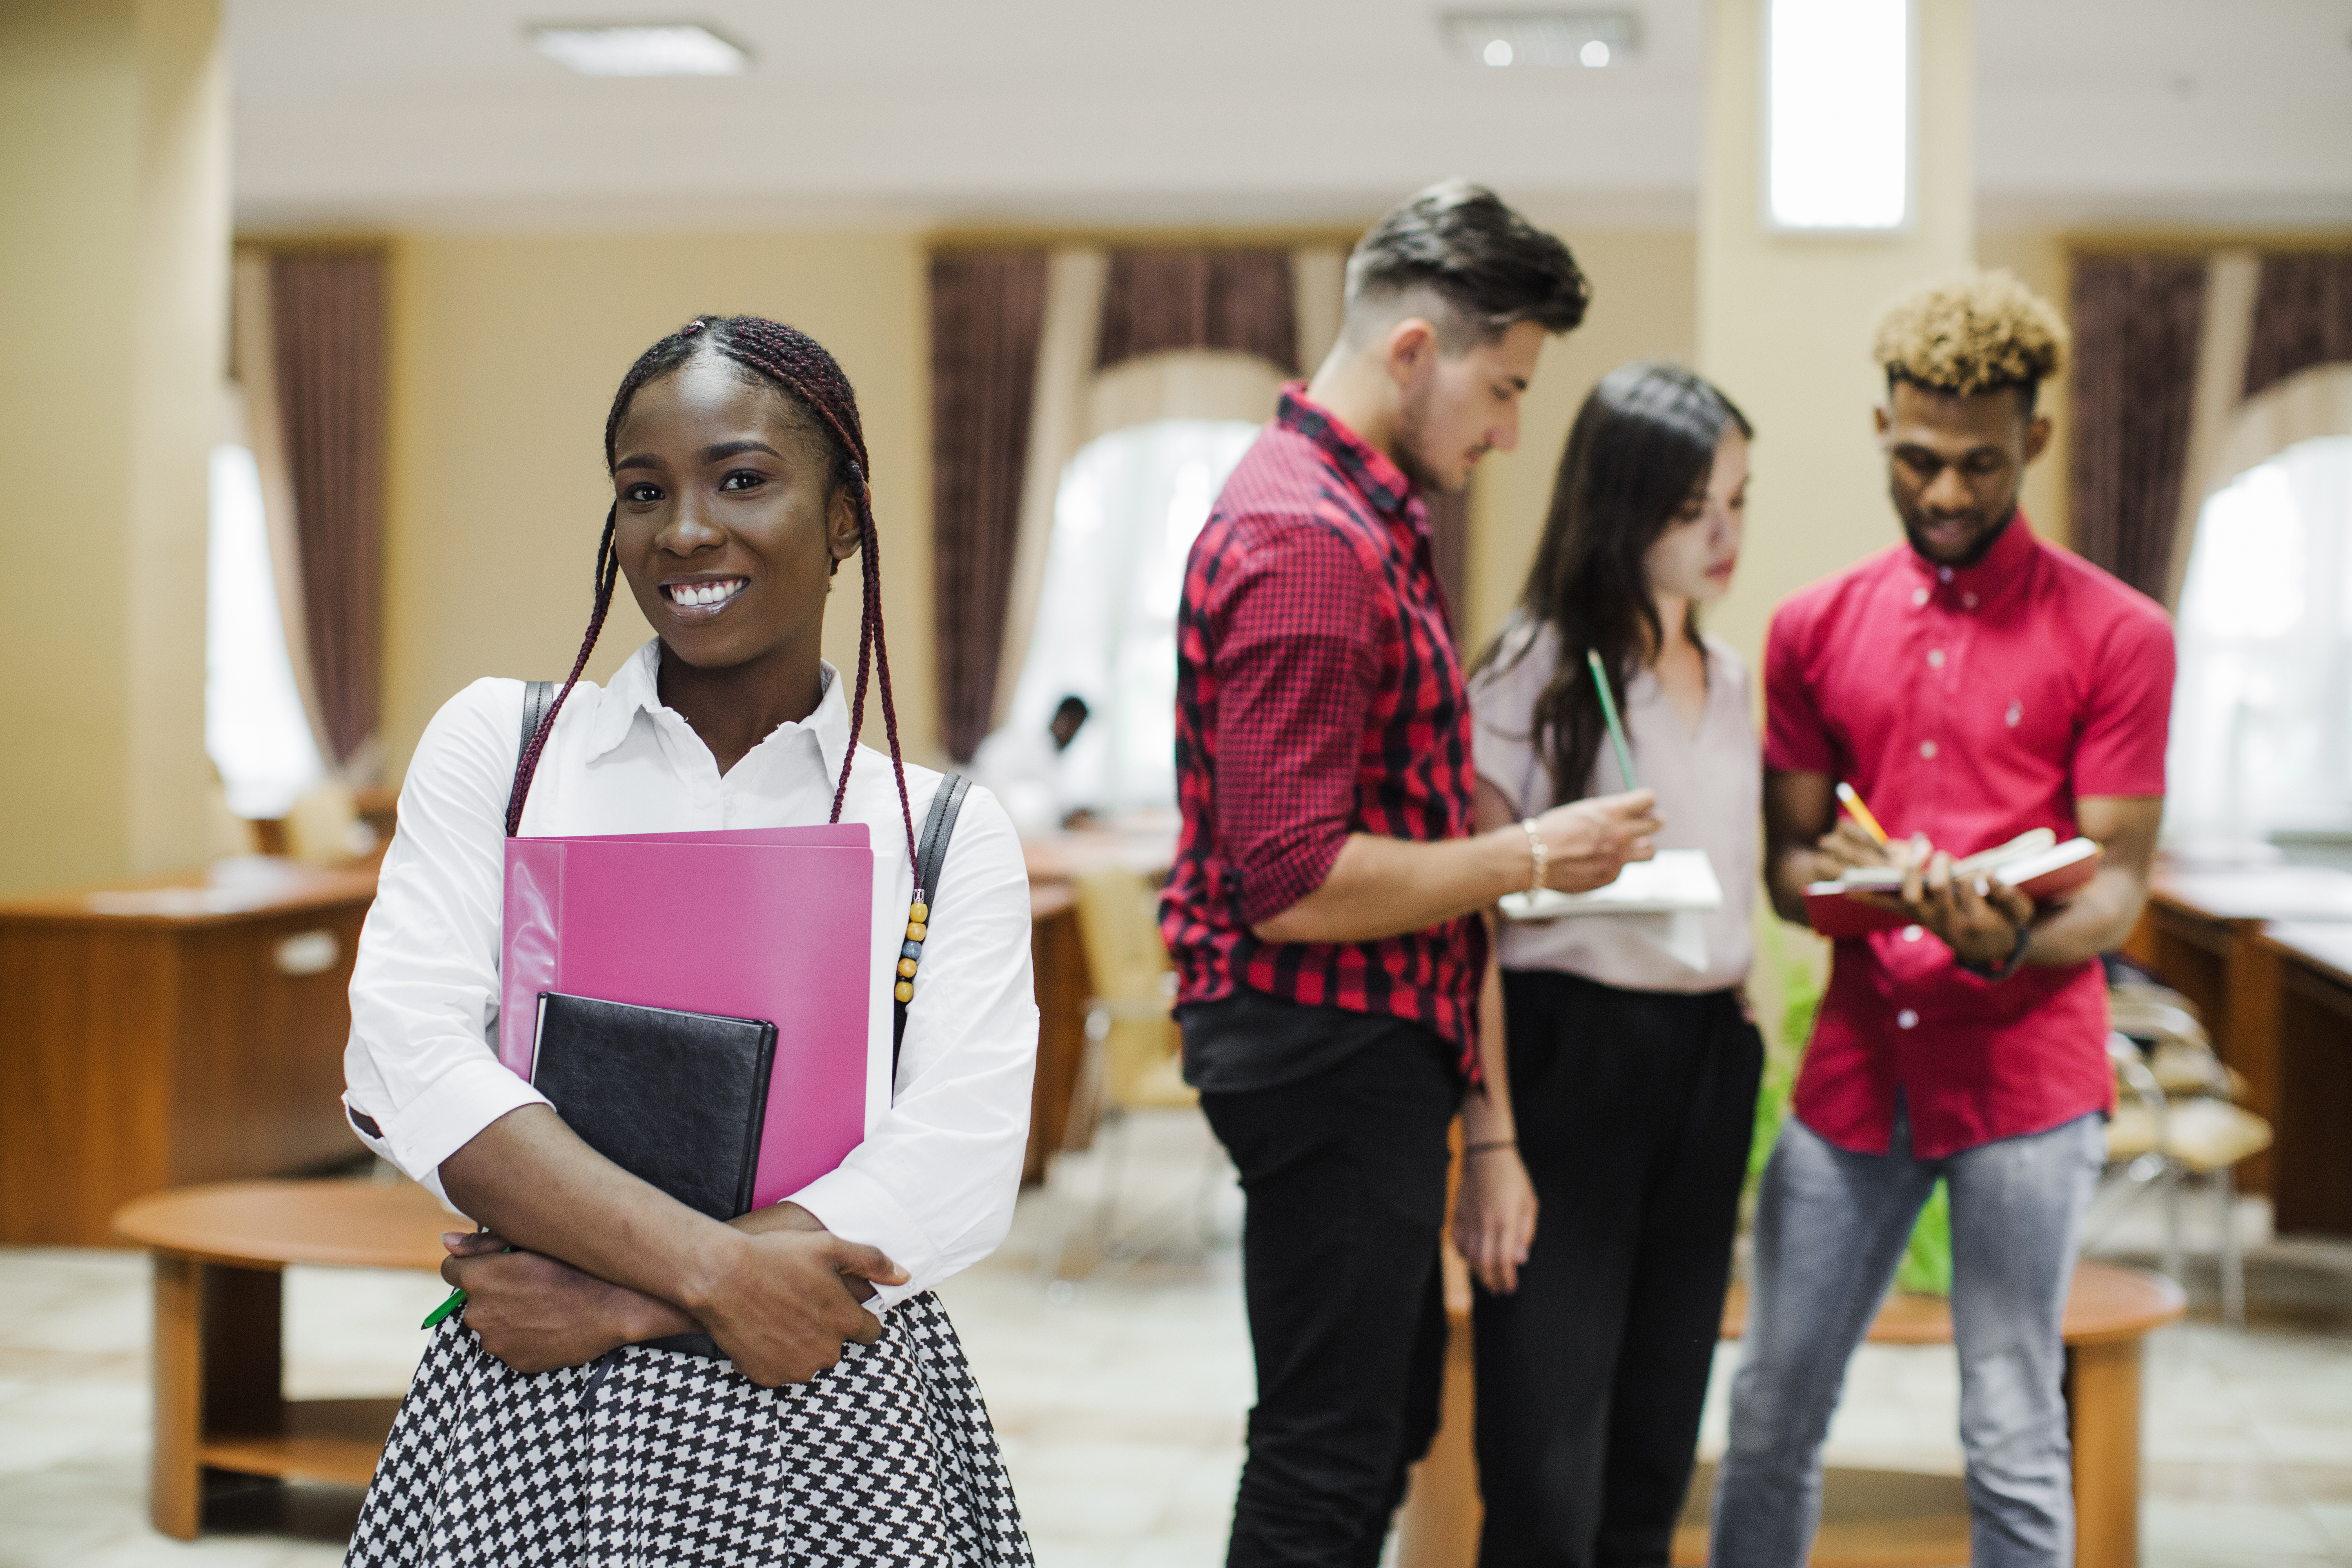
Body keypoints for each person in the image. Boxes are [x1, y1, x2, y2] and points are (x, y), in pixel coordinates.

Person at [339, 315, 1038, 1566]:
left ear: (843, 520)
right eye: (644, 490)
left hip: (822, 1387)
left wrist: (612, 1295)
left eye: (743, 478)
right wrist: (713, 1275)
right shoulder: (504, 750)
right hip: (532, 1410)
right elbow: (410, 1059)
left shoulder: (940, 828)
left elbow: (958, 1164)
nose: (687, 529)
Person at [1160, 181, 1663, 1568]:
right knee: (1329, 1454)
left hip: (1367, 1045)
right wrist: (1531, 855)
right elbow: (1290, 878)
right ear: (1410, 353)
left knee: (1376, 1431)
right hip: (1318, 1047)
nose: (1508, 432)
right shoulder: (1308, 540)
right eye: (1501, 390)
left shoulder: (1360, 517)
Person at [1709, 272, 2174, 1568]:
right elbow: (1791, 862)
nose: (1950, 493)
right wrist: (1859, 880)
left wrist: (2009, 935)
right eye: (1919, 459)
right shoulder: (1812, 628)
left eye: (1980, 462)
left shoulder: (2122, 633)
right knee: (1770, 1411)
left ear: (2035, 437)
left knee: (2013, 1427)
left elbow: (2121, 879)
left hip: (2029, 1079)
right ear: (1880, 428)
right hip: (1856, 1072)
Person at [1457, 363, 1763, 1568]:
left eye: (1739, 499)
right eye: (1696, 510)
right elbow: (1469, 908)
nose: (1727, 534)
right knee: (1546, 1454)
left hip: (1704, 1056)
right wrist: (1490, 1139)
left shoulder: (1733, 677)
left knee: (1656, 1438)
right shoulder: (1531, 666)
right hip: (1566, 1049)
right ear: (1621, 506)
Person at [973, 693, 1089, 835]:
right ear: (1063, 720)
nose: (1073, 737)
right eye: (1074, 728)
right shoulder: (1021, 746)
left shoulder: (1047, 752)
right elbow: (1016, 804)